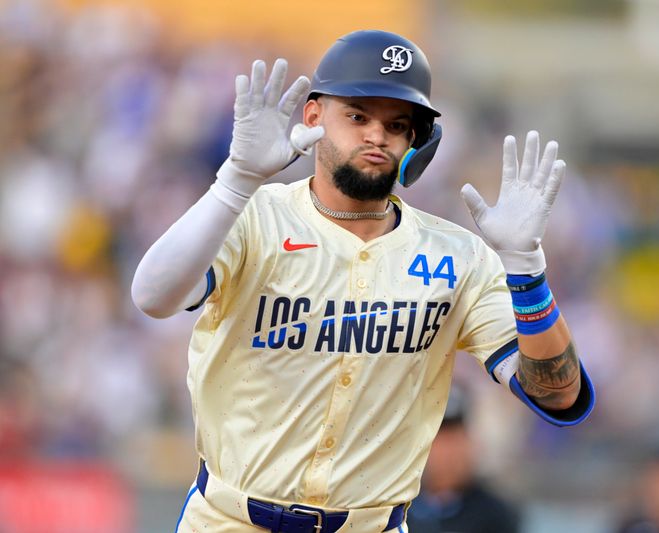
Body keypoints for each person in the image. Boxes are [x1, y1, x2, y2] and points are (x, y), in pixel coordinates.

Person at [131, 29, 595, 533]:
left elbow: (558, 396)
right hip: (231, 520)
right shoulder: (252, 217)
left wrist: (527, 269)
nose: (376, 135)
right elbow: (153, 297)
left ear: (417, 140)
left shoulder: (458, 257)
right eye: (357, 115)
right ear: (313, 116)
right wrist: (237, 178)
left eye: (396, 124)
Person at [406, 383, 521, 533]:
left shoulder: (496, 515)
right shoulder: (398, 508)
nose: (448, 452)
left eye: (454, 438)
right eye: (440, 439)